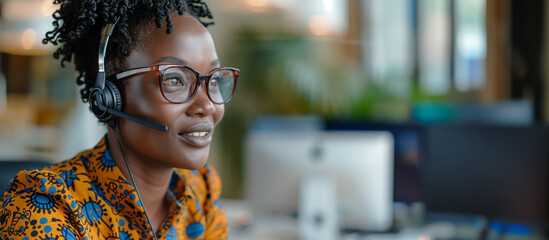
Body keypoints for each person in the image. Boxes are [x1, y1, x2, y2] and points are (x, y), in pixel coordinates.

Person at [0, 0, 238, 239]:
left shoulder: (200, 190)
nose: (207, 105)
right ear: (109, 97)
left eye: (214, 81)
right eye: (174, 80)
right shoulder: (45, 209)